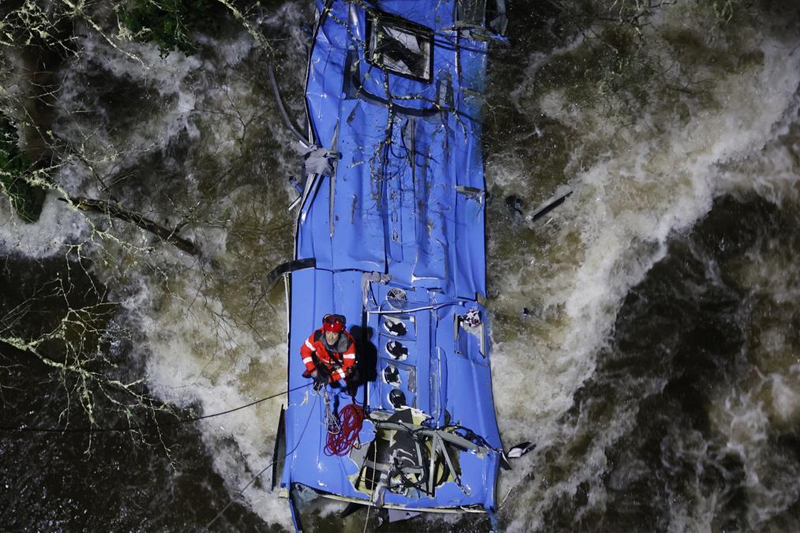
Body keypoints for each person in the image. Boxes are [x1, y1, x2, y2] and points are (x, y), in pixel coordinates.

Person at [301, 314, 357, 389]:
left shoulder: (348, 344)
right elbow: (305, 350)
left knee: (352, 375)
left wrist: (330, 379)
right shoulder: (317, 336)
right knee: (316, 369)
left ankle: (350, 385)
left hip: (338, 364)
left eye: (335, 334)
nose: (330, 337)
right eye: (328, 333)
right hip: (321, 362)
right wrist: (313, 371)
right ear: (324, 331)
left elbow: (347, 367)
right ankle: (319, 378)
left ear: (340, 333)